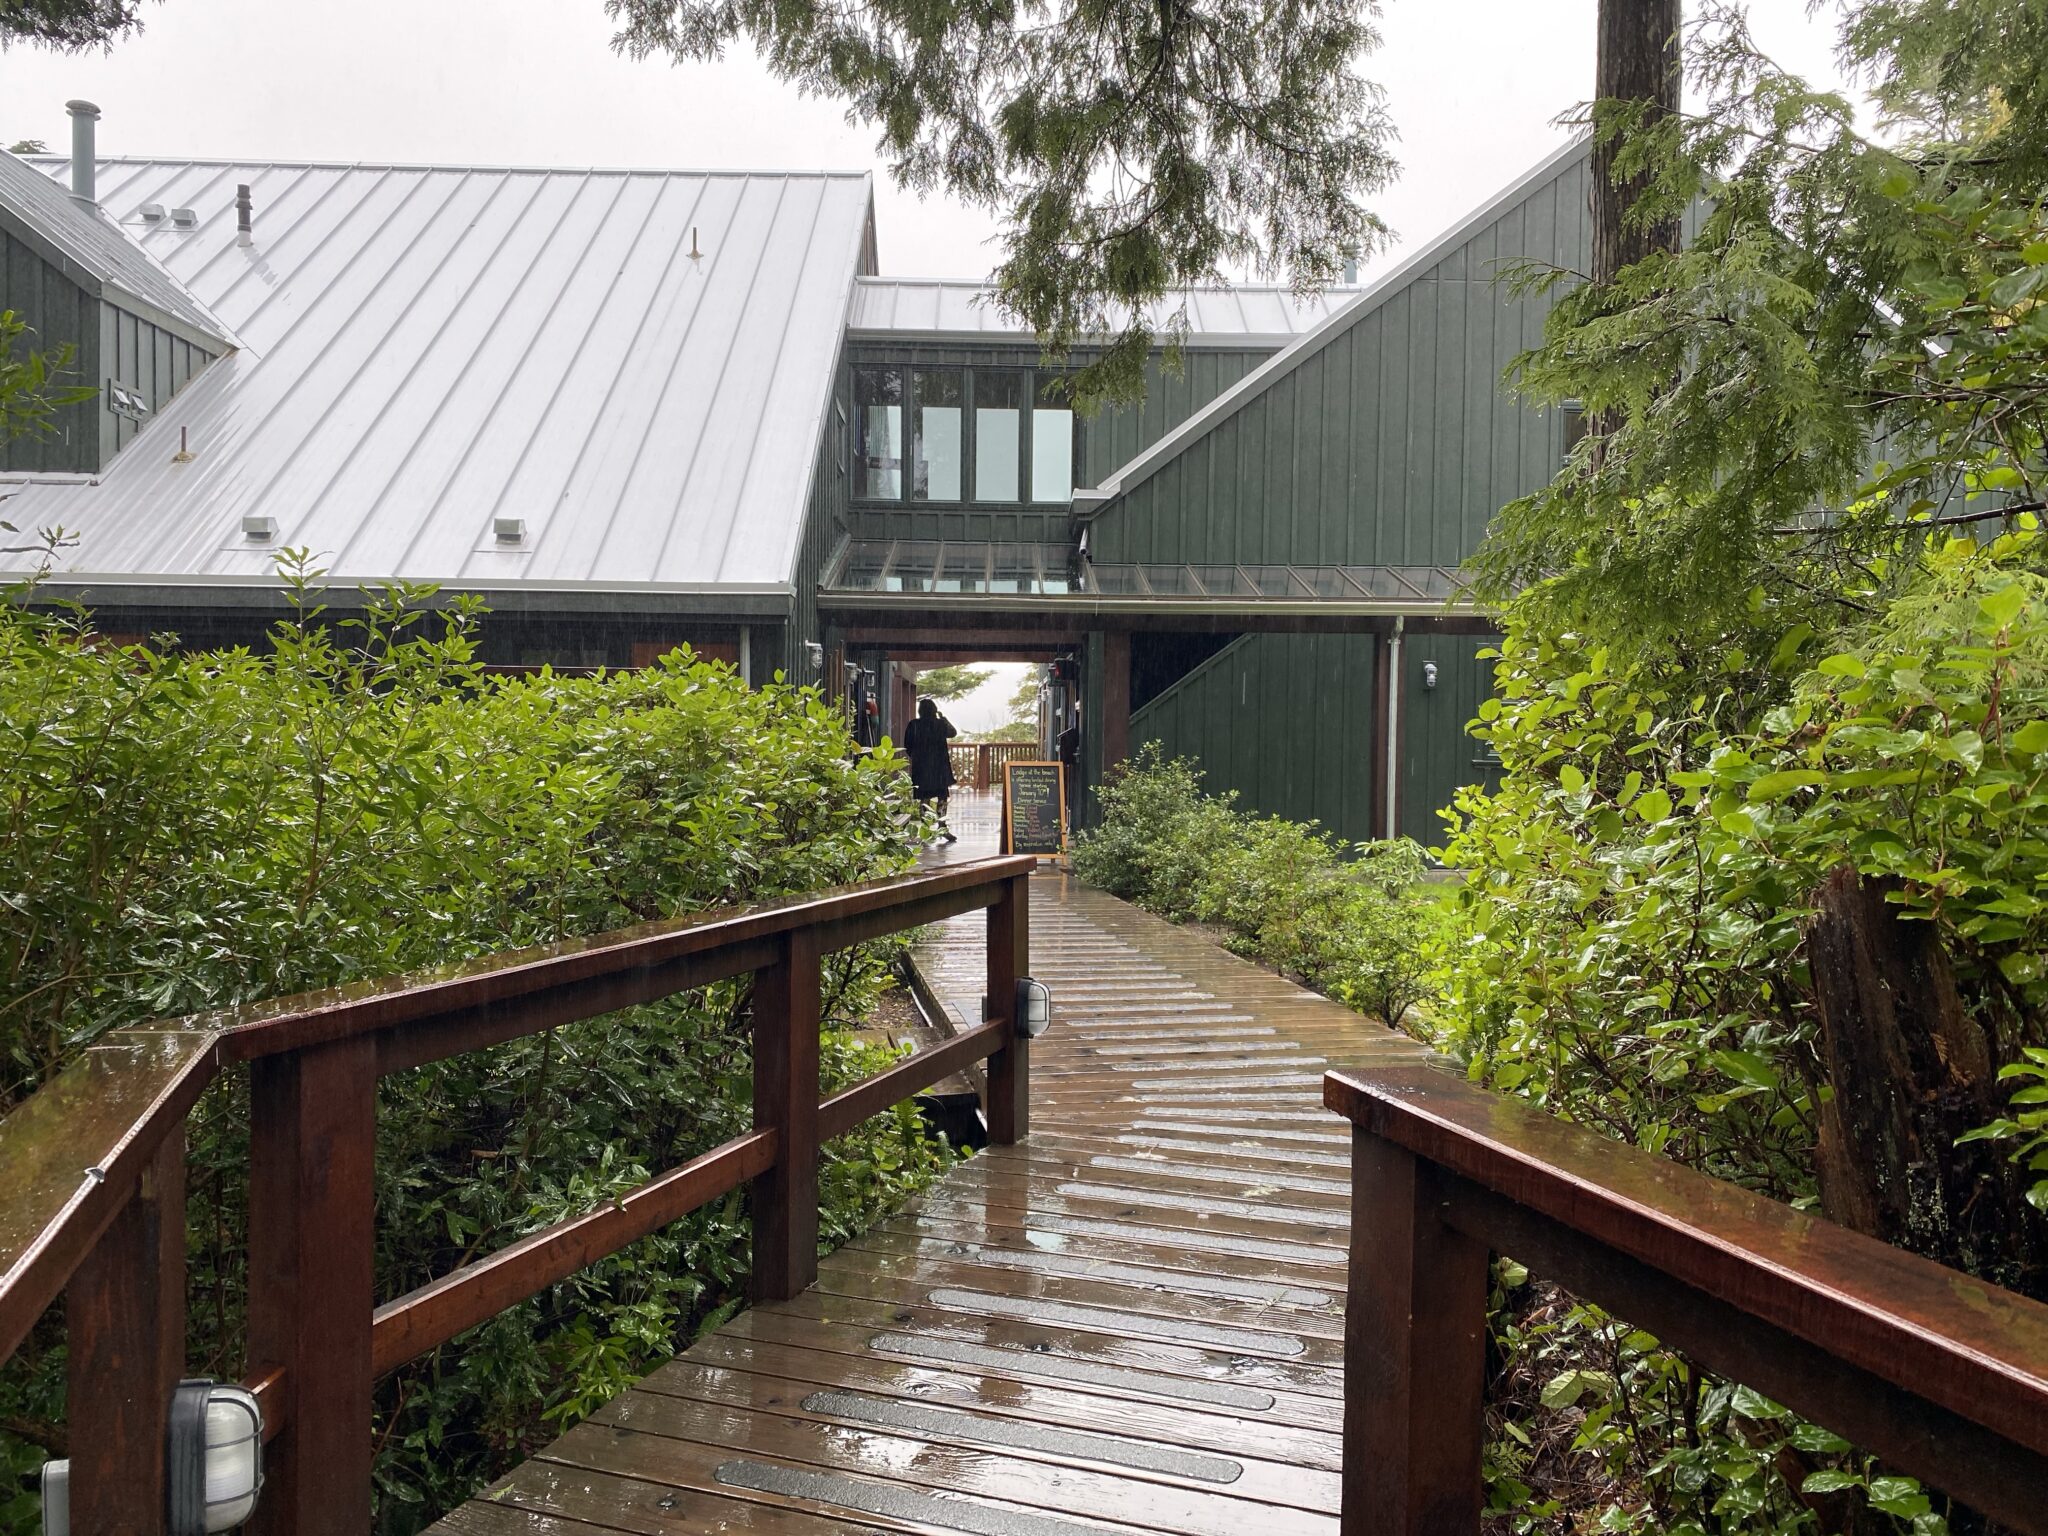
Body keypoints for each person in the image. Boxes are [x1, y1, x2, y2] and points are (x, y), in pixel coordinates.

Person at [902, 696, 959, 842]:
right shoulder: (940, 724)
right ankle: (942, 826)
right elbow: (953, 733)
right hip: (940, 767)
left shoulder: (914, 724)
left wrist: (917, 757)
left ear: (920, 711)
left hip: (921, 767)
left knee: (924, 798)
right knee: (942, 798)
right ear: (934, 710)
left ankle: (926, 829)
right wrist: (943, 718)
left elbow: (908, 745)